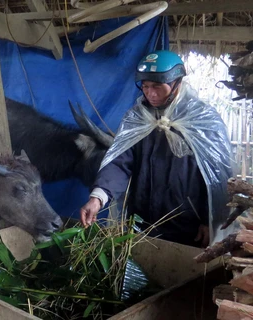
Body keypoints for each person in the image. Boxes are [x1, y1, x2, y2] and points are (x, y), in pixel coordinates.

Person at [80, 50, 233, 248]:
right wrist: (98, 198)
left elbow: (218, 176)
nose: (150, 94)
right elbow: (120, 161)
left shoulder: (202, 120)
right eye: (145, 87)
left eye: (157, 87)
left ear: (176, 83)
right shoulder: (137, 118)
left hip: (189, 226)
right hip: (141, 223)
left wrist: (210, 220)